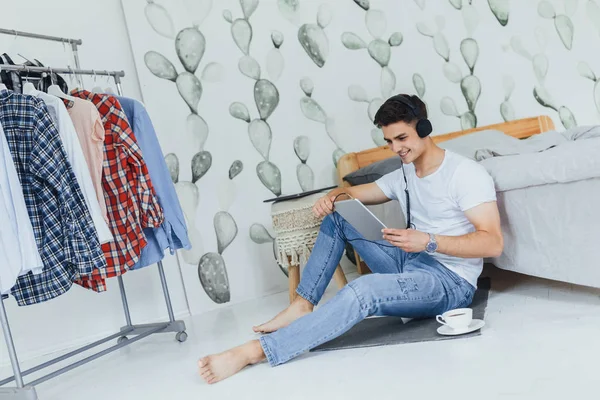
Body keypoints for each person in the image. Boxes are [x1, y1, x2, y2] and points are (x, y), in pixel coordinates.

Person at [197, 94, 503, 384]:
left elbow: (492, 243)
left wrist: (429, 241)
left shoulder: (466, 174)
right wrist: (333, 198)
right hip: (411, 261)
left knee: (364, 289)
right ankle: (303, 304)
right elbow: (353, 194)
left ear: (423, 129)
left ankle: (257, 351)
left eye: (402, 139)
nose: (396, 149)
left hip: (450, 281)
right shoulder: (404, 174)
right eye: (389, 141)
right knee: (340, 214)